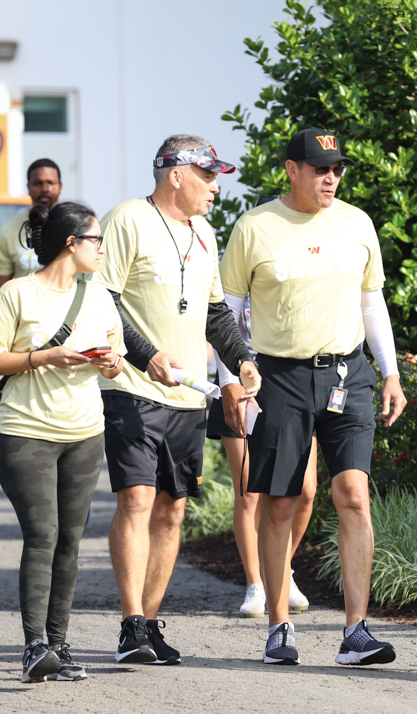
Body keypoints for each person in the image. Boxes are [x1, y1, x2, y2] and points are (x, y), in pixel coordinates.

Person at [219, 128, 407, 666]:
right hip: (278, 378)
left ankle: (356, 632)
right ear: (291, 170)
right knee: (280, 503)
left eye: (338, 169)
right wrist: (232, 378)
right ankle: (279, 627)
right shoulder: (255, 227)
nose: (331, 177)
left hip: (349, 373)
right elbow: (226, 314)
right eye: (320, 167)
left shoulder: (357, 223)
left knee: (353, 494)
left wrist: (390, 372)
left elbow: (372, 303)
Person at [98, 135, 261, 666]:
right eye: (208, 176)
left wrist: (242, 361)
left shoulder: (206, 233)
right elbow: (104, 301)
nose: (216, 187)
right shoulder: (127, 220)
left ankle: (148, 623)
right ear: (175, 174)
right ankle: (129, 626)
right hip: (133, 388)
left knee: (171, 511)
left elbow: (216, 314)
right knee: (138, 501)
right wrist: (145, 356)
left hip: (188, 398)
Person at [0, 202, 125, 684]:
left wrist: (109, 364)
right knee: (43, 535)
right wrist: (46, 356)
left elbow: (117, 356)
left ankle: (59, 647)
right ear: (71, 243)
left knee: (69, 541)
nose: (102, 249)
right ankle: (34, 646)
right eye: (96, 241)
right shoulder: (17, 294)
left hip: (85, 433)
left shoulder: (99, 297)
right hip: (25, 432)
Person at [207, 294, 316, 618]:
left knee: (306, 491)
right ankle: (256, 583)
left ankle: (281, 572)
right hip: (241, 388)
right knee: (249, 493)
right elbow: (221, 327)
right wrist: (231, 385)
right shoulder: (240, 267)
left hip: (291, 386)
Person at [0, 158, 63, 309]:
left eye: (51, 183)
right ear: (28, 187)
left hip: (69, 319)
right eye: (38, 183)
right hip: (27, 318)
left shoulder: (75, 225)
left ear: (60, 187)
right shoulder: (10, 230)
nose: (45, 188)